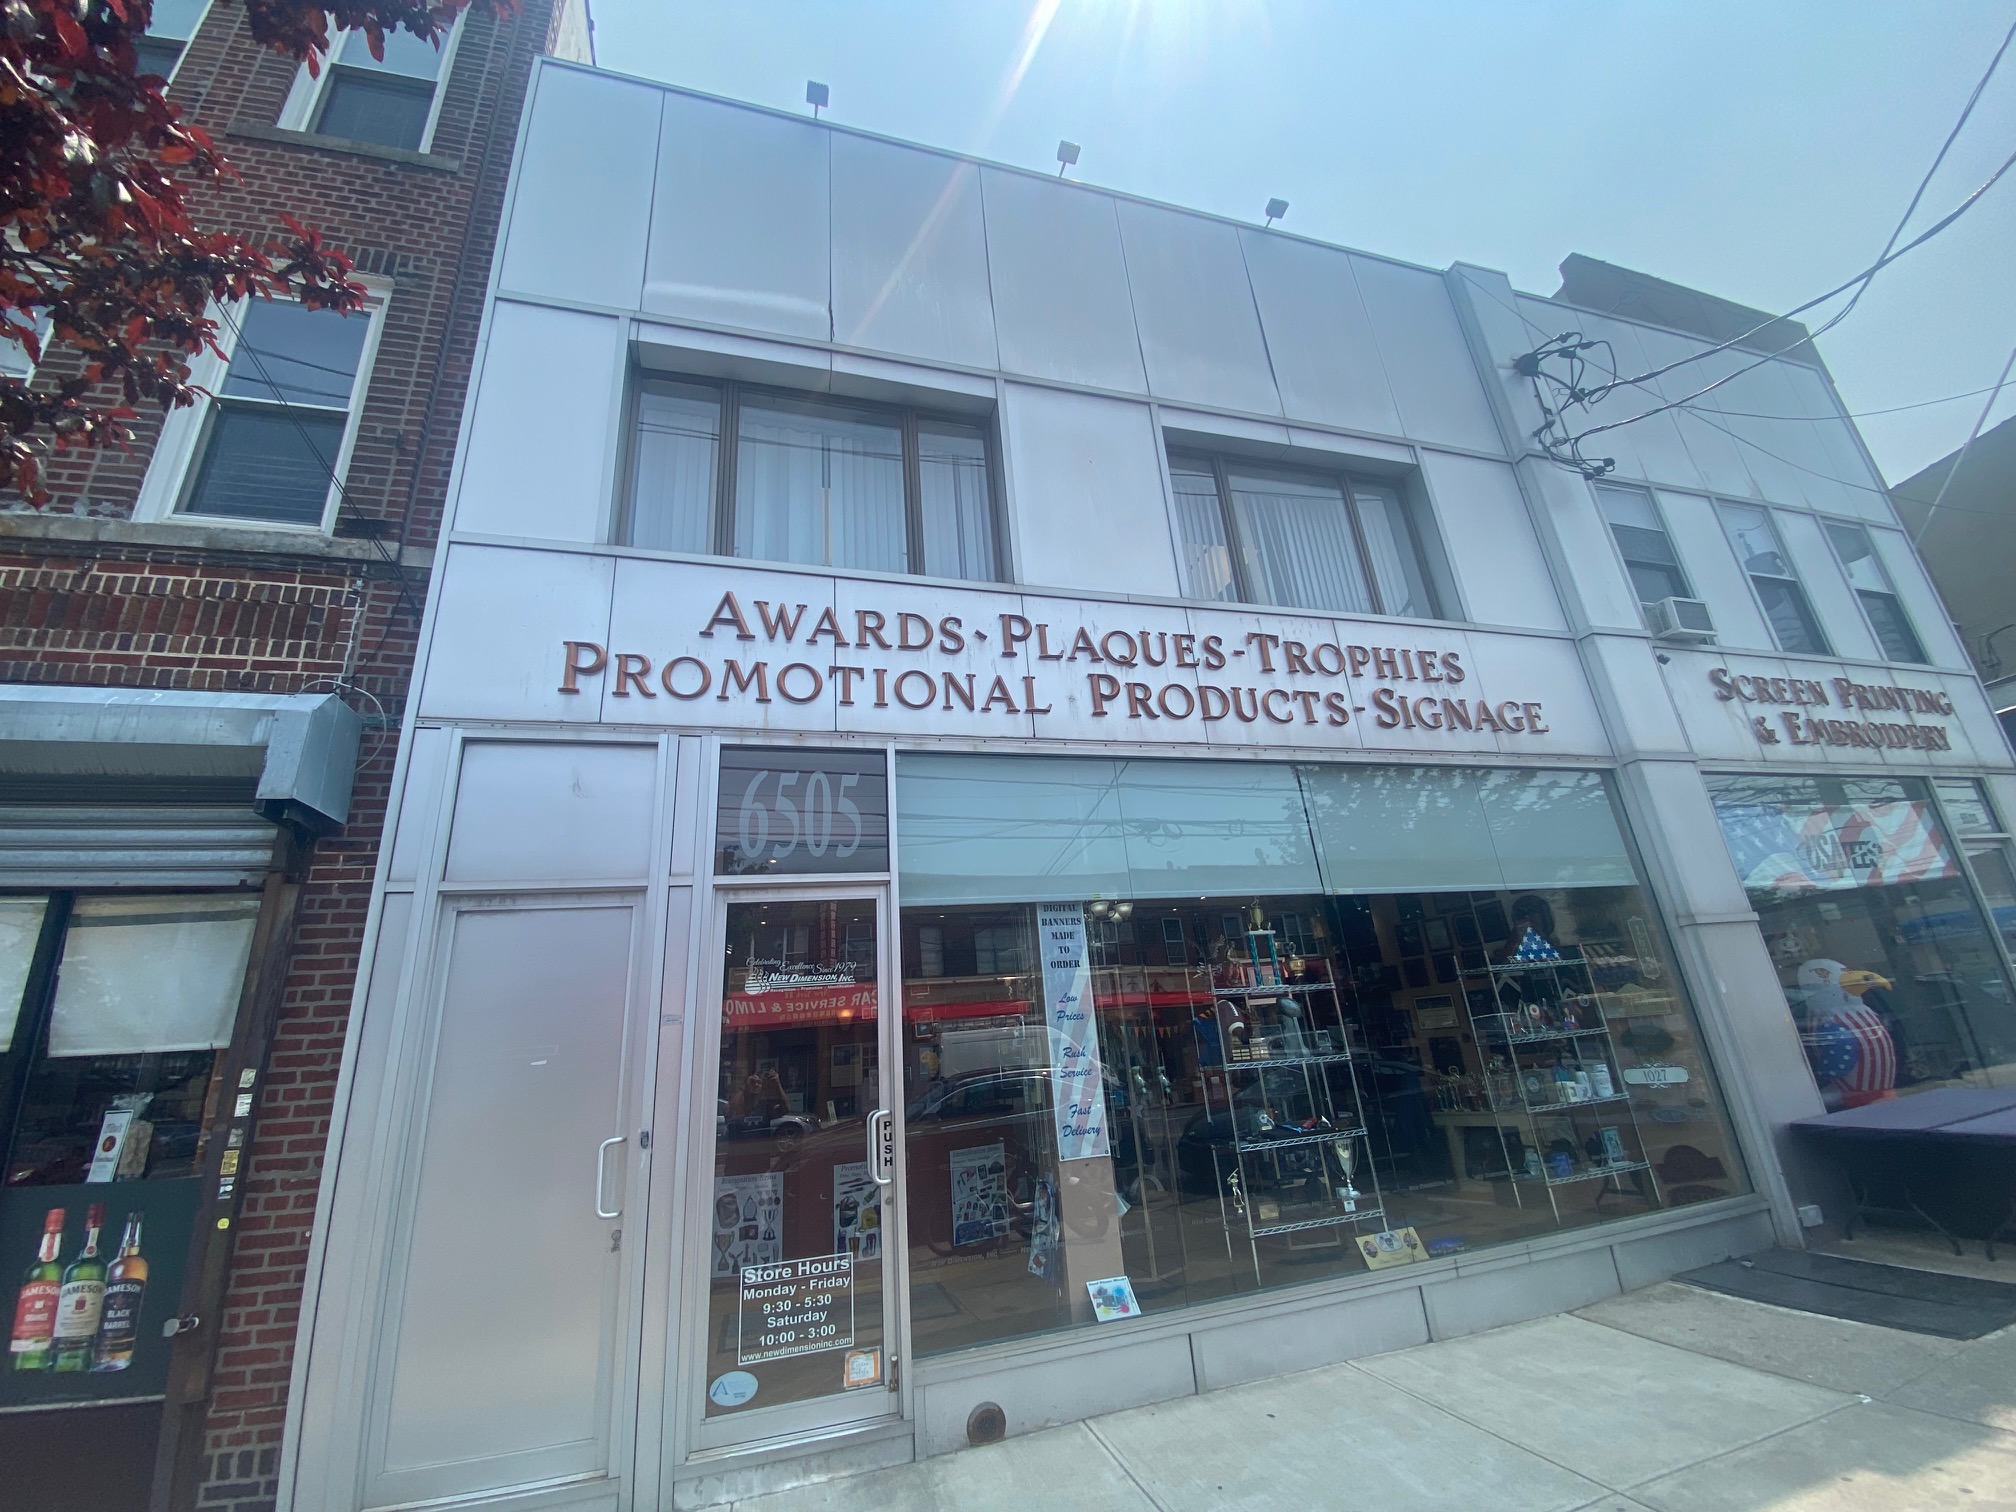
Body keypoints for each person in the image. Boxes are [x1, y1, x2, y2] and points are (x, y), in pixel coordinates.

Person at [1796, 958, 1897, 1109]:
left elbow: (1839, 1063)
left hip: (1857, 1096)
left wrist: (1822, 1074)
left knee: (1810, 1103)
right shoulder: (1865, 1014)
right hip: (1882, 1091)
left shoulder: (1829, 1021)